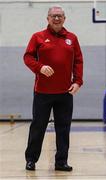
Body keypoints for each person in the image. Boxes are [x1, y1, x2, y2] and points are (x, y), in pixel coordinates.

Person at [23, 5, 83, 171]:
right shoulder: (38, 37)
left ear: (64, 19)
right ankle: (31, 160)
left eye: (60, 16)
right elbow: (28, 57)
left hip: (65, 92)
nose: (56, 18)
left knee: (63, 128)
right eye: (53, 16)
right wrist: (39, 67)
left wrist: (78, 81)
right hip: (42, 92)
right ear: (48, 19)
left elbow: (78, 61)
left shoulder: (72, 38)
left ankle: (61, 162)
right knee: (38, 127)